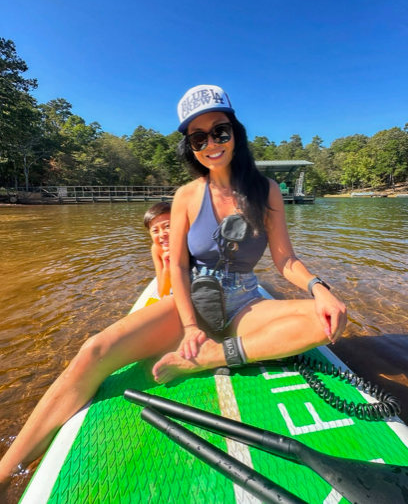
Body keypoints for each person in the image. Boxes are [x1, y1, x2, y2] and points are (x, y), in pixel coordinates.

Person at [0, 85, 346, 499]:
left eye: (219, 131)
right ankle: (5, 472)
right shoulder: (185, 196)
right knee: (94, 350)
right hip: (194, 302)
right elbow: (179, 266)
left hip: (245, 303)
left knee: (326, 321)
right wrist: (189, 325)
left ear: (235, 132)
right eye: (198, 138)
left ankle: (210, 358)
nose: (210, 144)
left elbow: (285, 259)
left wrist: (319, 288)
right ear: (190, 147)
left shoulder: (267, 190)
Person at [143, 201, 172, 297]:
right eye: (155, 230)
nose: (162, 234)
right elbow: (163, 293)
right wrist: (167, 270)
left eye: (167, 226)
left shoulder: (194, 247)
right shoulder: (157, 249)